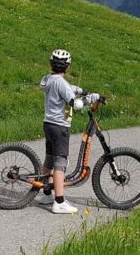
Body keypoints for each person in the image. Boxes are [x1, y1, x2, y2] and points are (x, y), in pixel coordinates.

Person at [37, 49, 100, 214]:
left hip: (48, 124)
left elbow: (62, 87)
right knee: (60, 162)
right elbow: (76, 104)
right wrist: (90, 98)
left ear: (51, 64)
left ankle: (46, 194)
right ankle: (59, 202)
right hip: (60, 127)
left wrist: (80, 90)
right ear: (68, 67)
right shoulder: (62, 83)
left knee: (49, 159)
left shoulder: (48, 79)